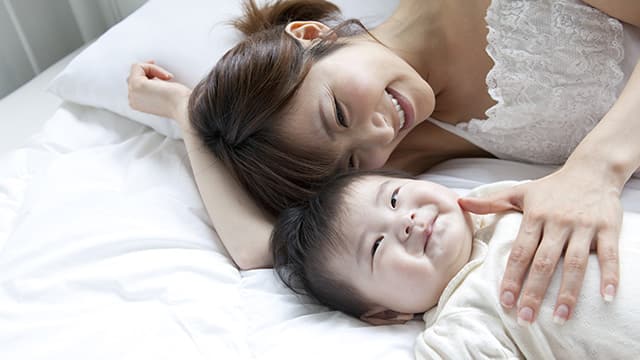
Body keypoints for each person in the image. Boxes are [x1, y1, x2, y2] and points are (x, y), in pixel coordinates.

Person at [126, 0, 640, 326]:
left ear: (311, 35)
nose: (379, 134)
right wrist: (186, 114)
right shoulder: (407, 151)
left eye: (338, 112)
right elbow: (263, 248)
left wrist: (595, 169)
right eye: (353, 160)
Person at [270, 170, 640, 359]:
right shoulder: (459, 330)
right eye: (377, 246)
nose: (406, 222)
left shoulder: (502, 200)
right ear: (384, 314)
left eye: (395, 198)